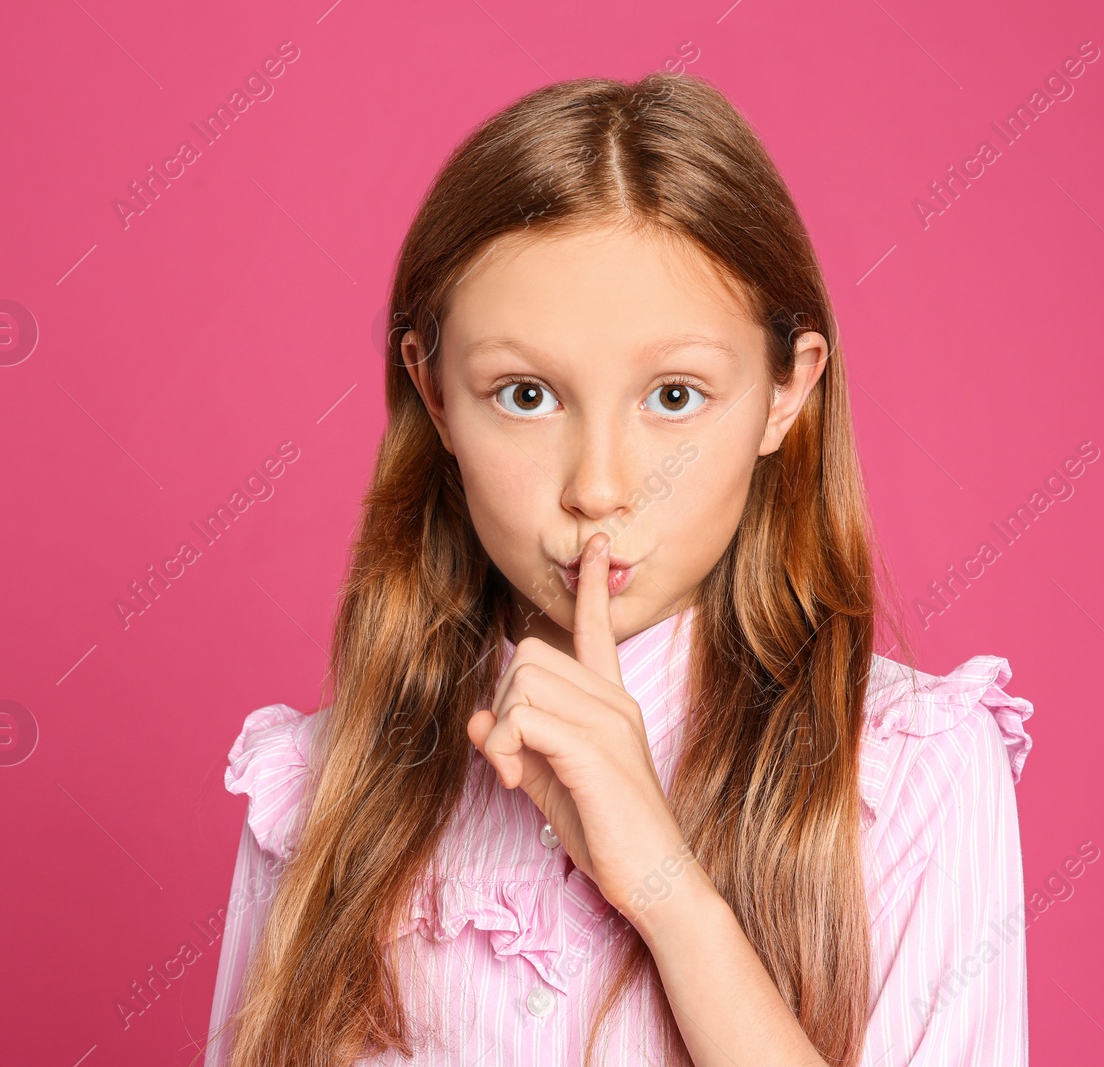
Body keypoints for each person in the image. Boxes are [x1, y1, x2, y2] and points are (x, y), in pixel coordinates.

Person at [201, 70, 1034, 1067]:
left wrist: (660, 881)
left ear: (784, 392)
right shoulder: (323, 789)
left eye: (674, 396)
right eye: (524, 392)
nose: (598, 485)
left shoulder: (909, 772)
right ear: (431, 390)